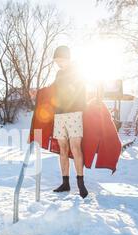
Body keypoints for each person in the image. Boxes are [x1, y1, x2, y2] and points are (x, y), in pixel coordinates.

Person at [52, 45, 88, 198]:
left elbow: (82, 90)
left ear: (67, 58)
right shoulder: (59, 74)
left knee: (75, 147)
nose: (58, 63)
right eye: (56, 60)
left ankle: (80, 183)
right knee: (62, 148)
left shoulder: (78, 70)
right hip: (59, 114)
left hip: (74, 112)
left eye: (60, 59)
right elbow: (53, 89)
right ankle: (65, 182)